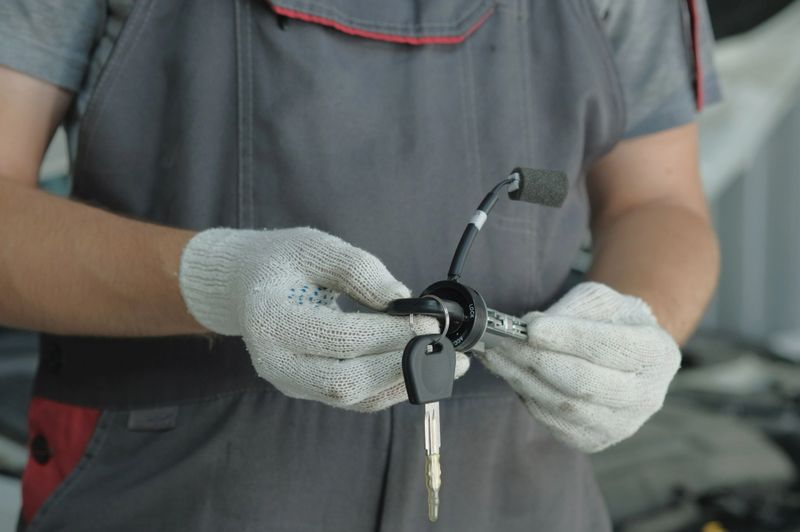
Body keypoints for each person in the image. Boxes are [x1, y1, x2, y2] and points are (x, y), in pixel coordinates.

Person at [0, 0, 721, 530]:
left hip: (524, 497)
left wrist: (642, 322)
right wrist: (215, 279)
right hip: (165, 499)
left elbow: (660, 201)